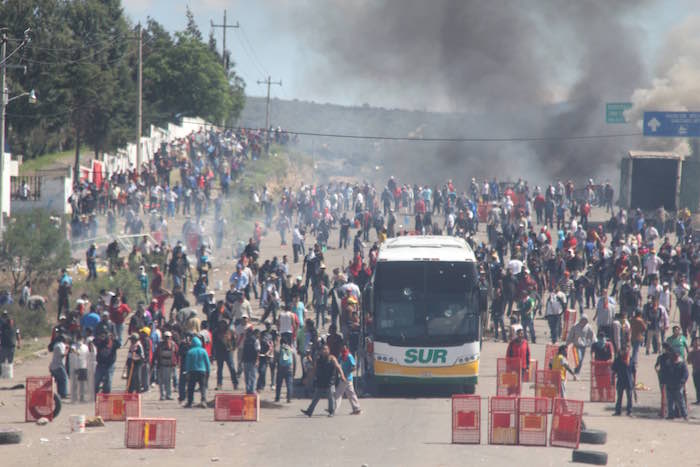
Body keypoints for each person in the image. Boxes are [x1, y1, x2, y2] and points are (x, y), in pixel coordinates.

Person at [301, 343, 345, 417]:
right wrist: (307, 379)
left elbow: (338, 367)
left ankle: (331, 411)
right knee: (315, 398)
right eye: (323, 349)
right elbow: (313, 370)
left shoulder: (332, 358)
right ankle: (309, 411)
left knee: (331, 398)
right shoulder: (318, 359)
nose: (324, 351)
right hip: (320, 381)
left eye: (326, 349)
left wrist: (342, 376)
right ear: (320, 351)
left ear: (329, 350)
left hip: (330, 382)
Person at [334, 345, 362, 415]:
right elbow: (337, 363)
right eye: (342, 348)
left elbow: (354, 367)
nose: (343, 349)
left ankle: (333, 408)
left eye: (344, 348)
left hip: (347, 377)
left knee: (338, 393)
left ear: (347, 348)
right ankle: (357, 408)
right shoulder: (341, 356)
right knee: (350, 394)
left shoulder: (349, 356)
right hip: (344, 377)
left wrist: (347, 373)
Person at [184, 336, 210, 408]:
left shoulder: (190, 352)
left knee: (191, 387)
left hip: (192, 371)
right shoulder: (203, 351)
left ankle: (190, 402)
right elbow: (207, 362)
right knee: (202, 387)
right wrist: (208, 371)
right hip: (202, 371)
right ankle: (203, 401)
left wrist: (187, 372)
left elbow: (187, 363)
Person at [213, 319, 238, 391]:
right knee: (219, 369)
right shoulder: (216, 332)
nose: (222, 325)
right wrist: (214, 353)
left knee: (232, 368)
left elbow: (234, 341)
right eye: (221, 323)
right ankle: (219, 384)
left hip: (228, 352)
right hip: (219, 352)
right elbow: (214, 343)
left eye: (224, 323)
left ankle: (235, 383)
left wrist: (233, 348)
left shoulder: (230, 332)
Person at [94, 330, 120, 395]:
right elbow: (94, 341)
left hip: (109, 365)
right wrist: (99, 337)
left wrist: (115, 339)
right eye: (103, 335)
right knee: (96, 380)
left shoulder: (113, 343)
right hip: (100, 365)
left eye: (106, 335)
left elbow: (119, 345)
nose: (105, 337)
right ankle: (95, 393)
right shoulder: (100, 342)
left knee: (108, 380)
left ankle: (106, 394)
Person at [666, 350, 689, 420]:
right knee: (670, 401)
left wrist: (682, 382)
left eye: (676, 356)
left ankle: (685, 415)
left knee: (681, 401)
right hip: (670, 385)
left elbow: (686, 374)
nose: (674, 357)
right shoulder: (669, 363)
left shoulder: (682, 364)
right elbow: (665, 373)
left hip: (678, 386)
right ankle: (671, 415)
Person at [156, 331, 178, 400]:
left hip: (169, 366)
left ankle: (168, 395)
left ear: (170, 337)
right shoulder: (160, 345)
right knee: (161, 382)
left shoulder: (173, 345)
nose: (166, 339)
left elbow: (177, 354)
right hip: (161, 365)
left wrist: (176, 363)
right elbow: (156, 354)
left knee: (168, 381)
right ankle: (162, 395)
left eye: (168, 337)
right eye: (165, 337)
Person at [611, 349, 633, 416]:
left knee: (629, 397)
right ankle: (618, 411)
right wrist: (612, 380)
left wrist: (634, 381)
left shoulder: (630, 359)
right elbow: (613, 371)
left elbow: (634, 371)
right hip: (620, 381)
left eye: (625, 350)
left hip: (628, 381)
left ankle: (629, 411)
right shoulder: (617, 360)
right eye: (623, 350)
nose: (624, 352)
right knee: (619, 397)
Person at [69, 335, 89, 403]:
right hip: (76, 367)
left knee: (82, 383)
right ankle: (75, 397)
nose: (79, 341)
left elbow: (88, 355)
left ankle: (81, 397)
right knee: (76, 383)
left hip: (83, 366)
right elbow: (72, 350)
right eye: (78, 339)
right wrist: (77, 353)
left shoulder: (85, 347)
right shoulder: (74, 346)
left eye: (80, 339)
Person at [49, 335, 69, 399]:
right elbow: (62, 354)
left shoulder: (56, 345)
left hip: (53, 366)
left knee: (59, 380)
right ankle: (63, 394)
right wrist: (67, 350)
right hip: (59, 366)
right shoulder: (61, 345)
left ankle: (60, 394)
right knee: (64, 379)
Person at [241, 327, 260, 394]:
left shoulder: (251, 340)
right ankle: (250, 389)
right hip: (249, 360)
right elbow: (257, 351)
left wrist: (257, 360)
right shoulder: (250, 340)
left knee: (250, 376)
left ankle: (250, 389)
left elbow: (257, 351)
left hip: (250, 360)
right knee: (250, 376)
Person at [687, 337, 700, 404]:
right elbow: (688, 361)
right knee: (697, 386)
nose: (696, 343)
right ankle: (698, 400)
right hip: (695, 371)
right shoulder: (691, 352)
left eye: (698, 341)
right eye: (695, 341)